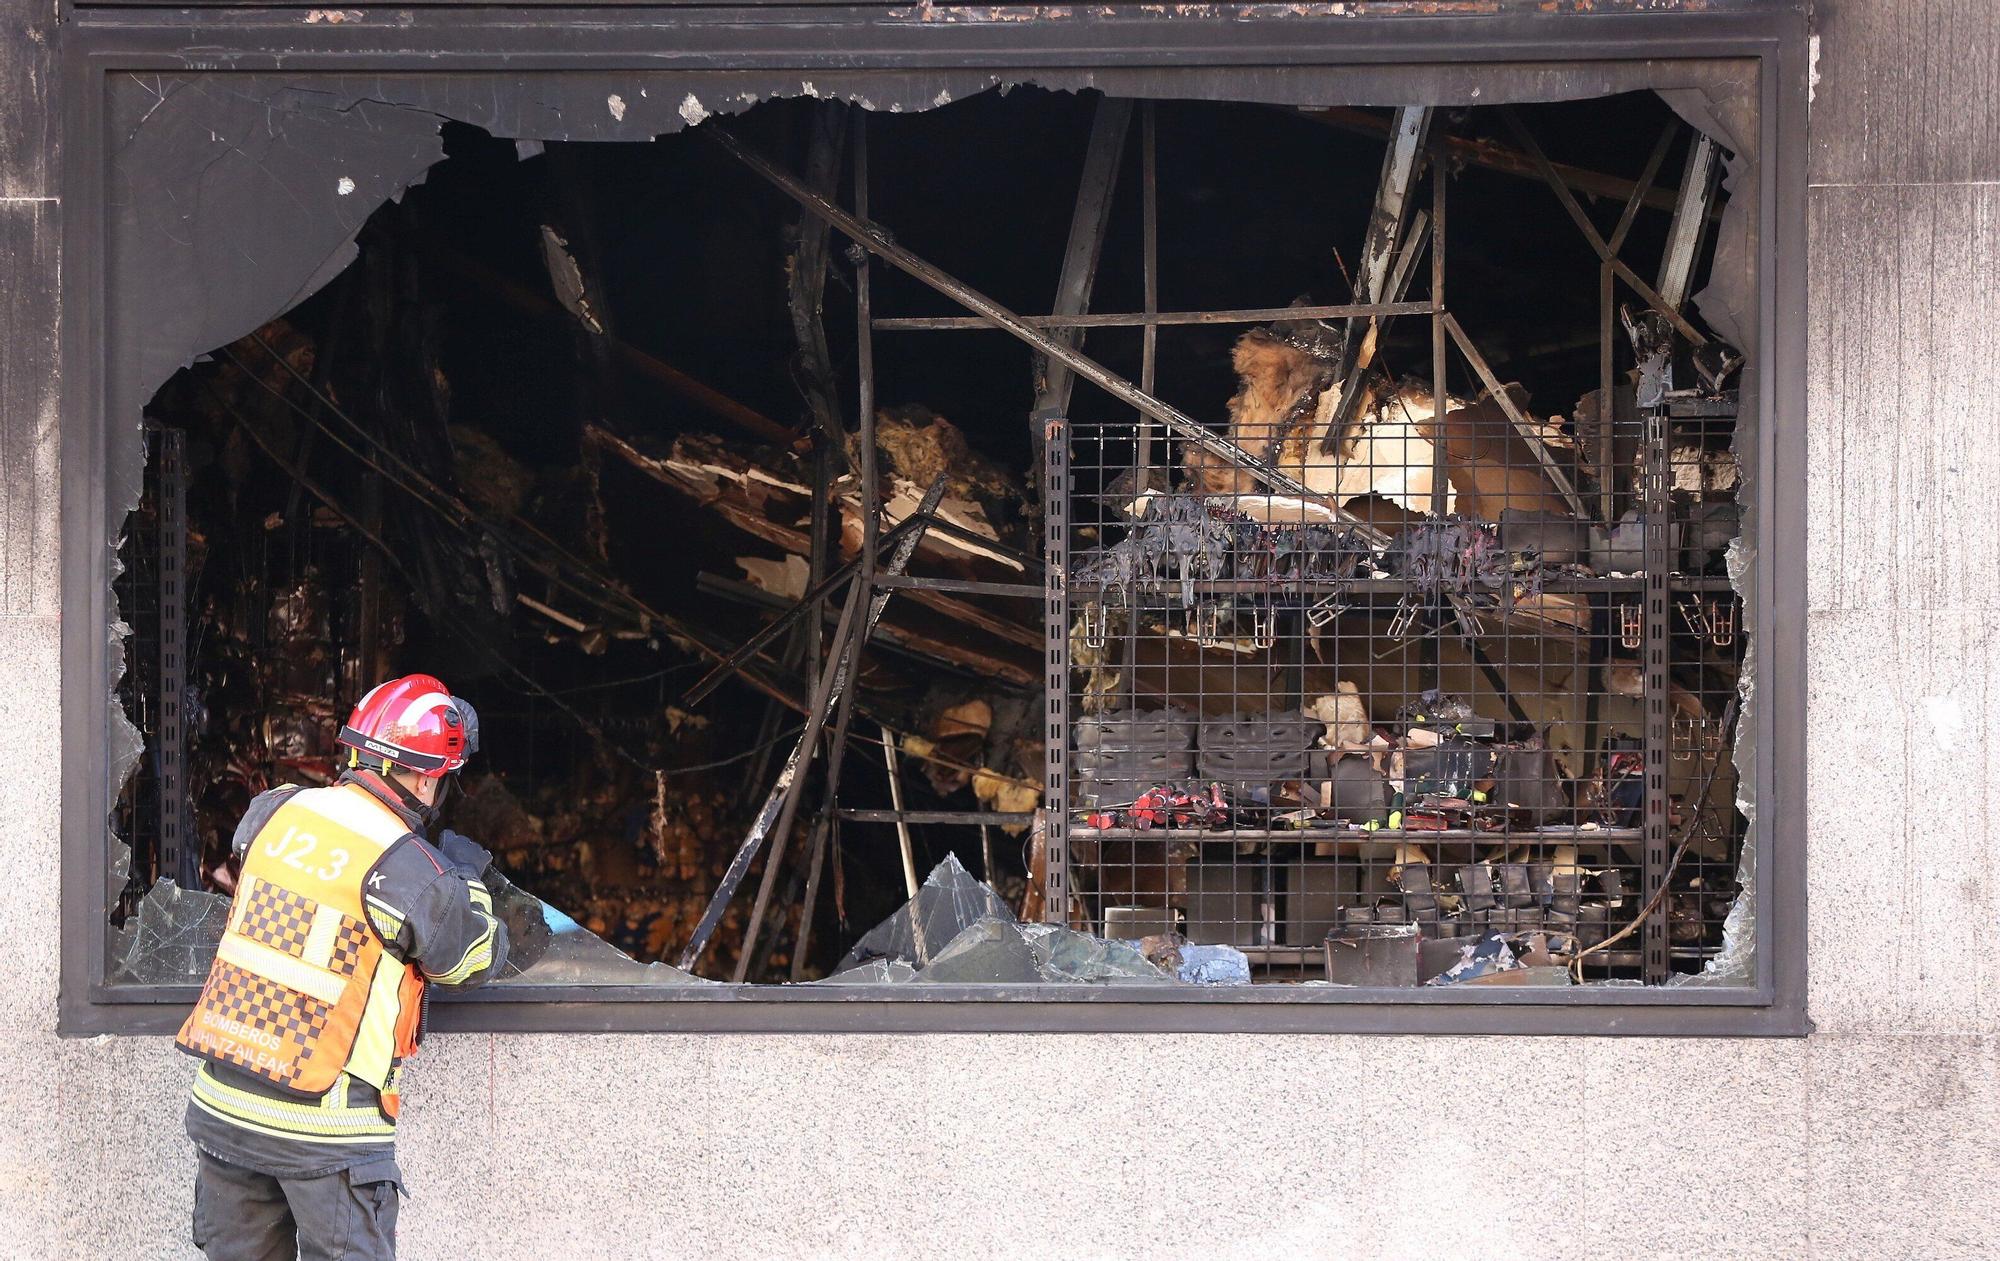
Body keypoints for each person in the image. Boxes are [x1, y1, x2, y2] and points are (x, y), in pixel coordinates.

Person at [176, 674, 509, 1261]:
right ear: (428, 777)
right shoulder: (409, 868)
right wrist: (465, 883)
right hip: (324, 1131)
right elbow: (470, 961)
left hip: (225, 1107)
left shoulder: (273, 812)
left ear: (355, 751)